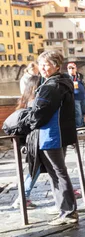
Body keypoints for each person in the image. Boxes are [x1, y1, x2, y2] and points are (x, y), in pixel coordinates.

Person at [20, 50, 78, 225]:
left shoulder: (51, 86)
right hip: (59, 134)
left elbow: (39, 113)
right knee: (58, 173)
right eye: (42, 64)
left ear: (57, 66)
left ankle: (68, 212)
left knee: (58, 174)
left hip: (51, 135)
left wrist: (26, 123)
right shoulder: (64, 82)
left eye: (47, 64)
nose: (43, 68)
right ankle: (64, 208)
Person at [11, 75, 42, 209]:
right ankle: (22, 197)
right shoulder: (34, 103)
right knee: (37, 169)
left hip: (30, 142)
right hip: (35, 141)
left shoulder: (25, 101)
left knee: (38, 168)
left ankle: (23, 197)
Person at [66, 62, 85, 128]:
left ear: (76, 69)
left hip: (82, 97)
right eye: (69, 68)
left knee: (83, 112)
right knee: (78, 113)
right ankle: (79, 126)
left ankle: (82, 124)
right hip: (75, 98)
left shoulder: (80, 76)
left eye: (73, 68)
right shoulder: (67, 77)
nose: (71, 70)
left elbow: (84, 85)